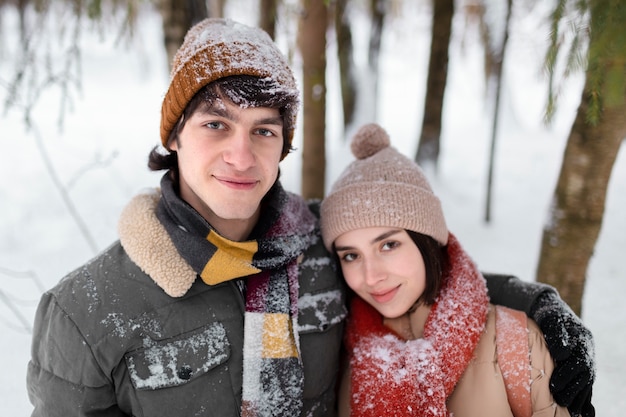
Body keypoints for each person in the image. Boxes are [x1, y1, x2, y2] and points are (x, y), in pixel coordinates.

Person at [26, 18, 593, 417]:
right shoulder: (85, 312)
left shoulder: (320, 244)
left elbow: (415, 273)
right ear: (173, 135)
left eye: (264, 131)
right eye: (215, 124)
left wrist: (532, 301)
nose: (241, 156)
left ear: (284, 146)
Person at [320, 123, 594, 417]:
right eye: (351, 255)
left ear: (428, 243)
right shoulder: (338, 352)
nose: (371, 276)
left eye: (388, 245)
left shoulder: (517, 342)